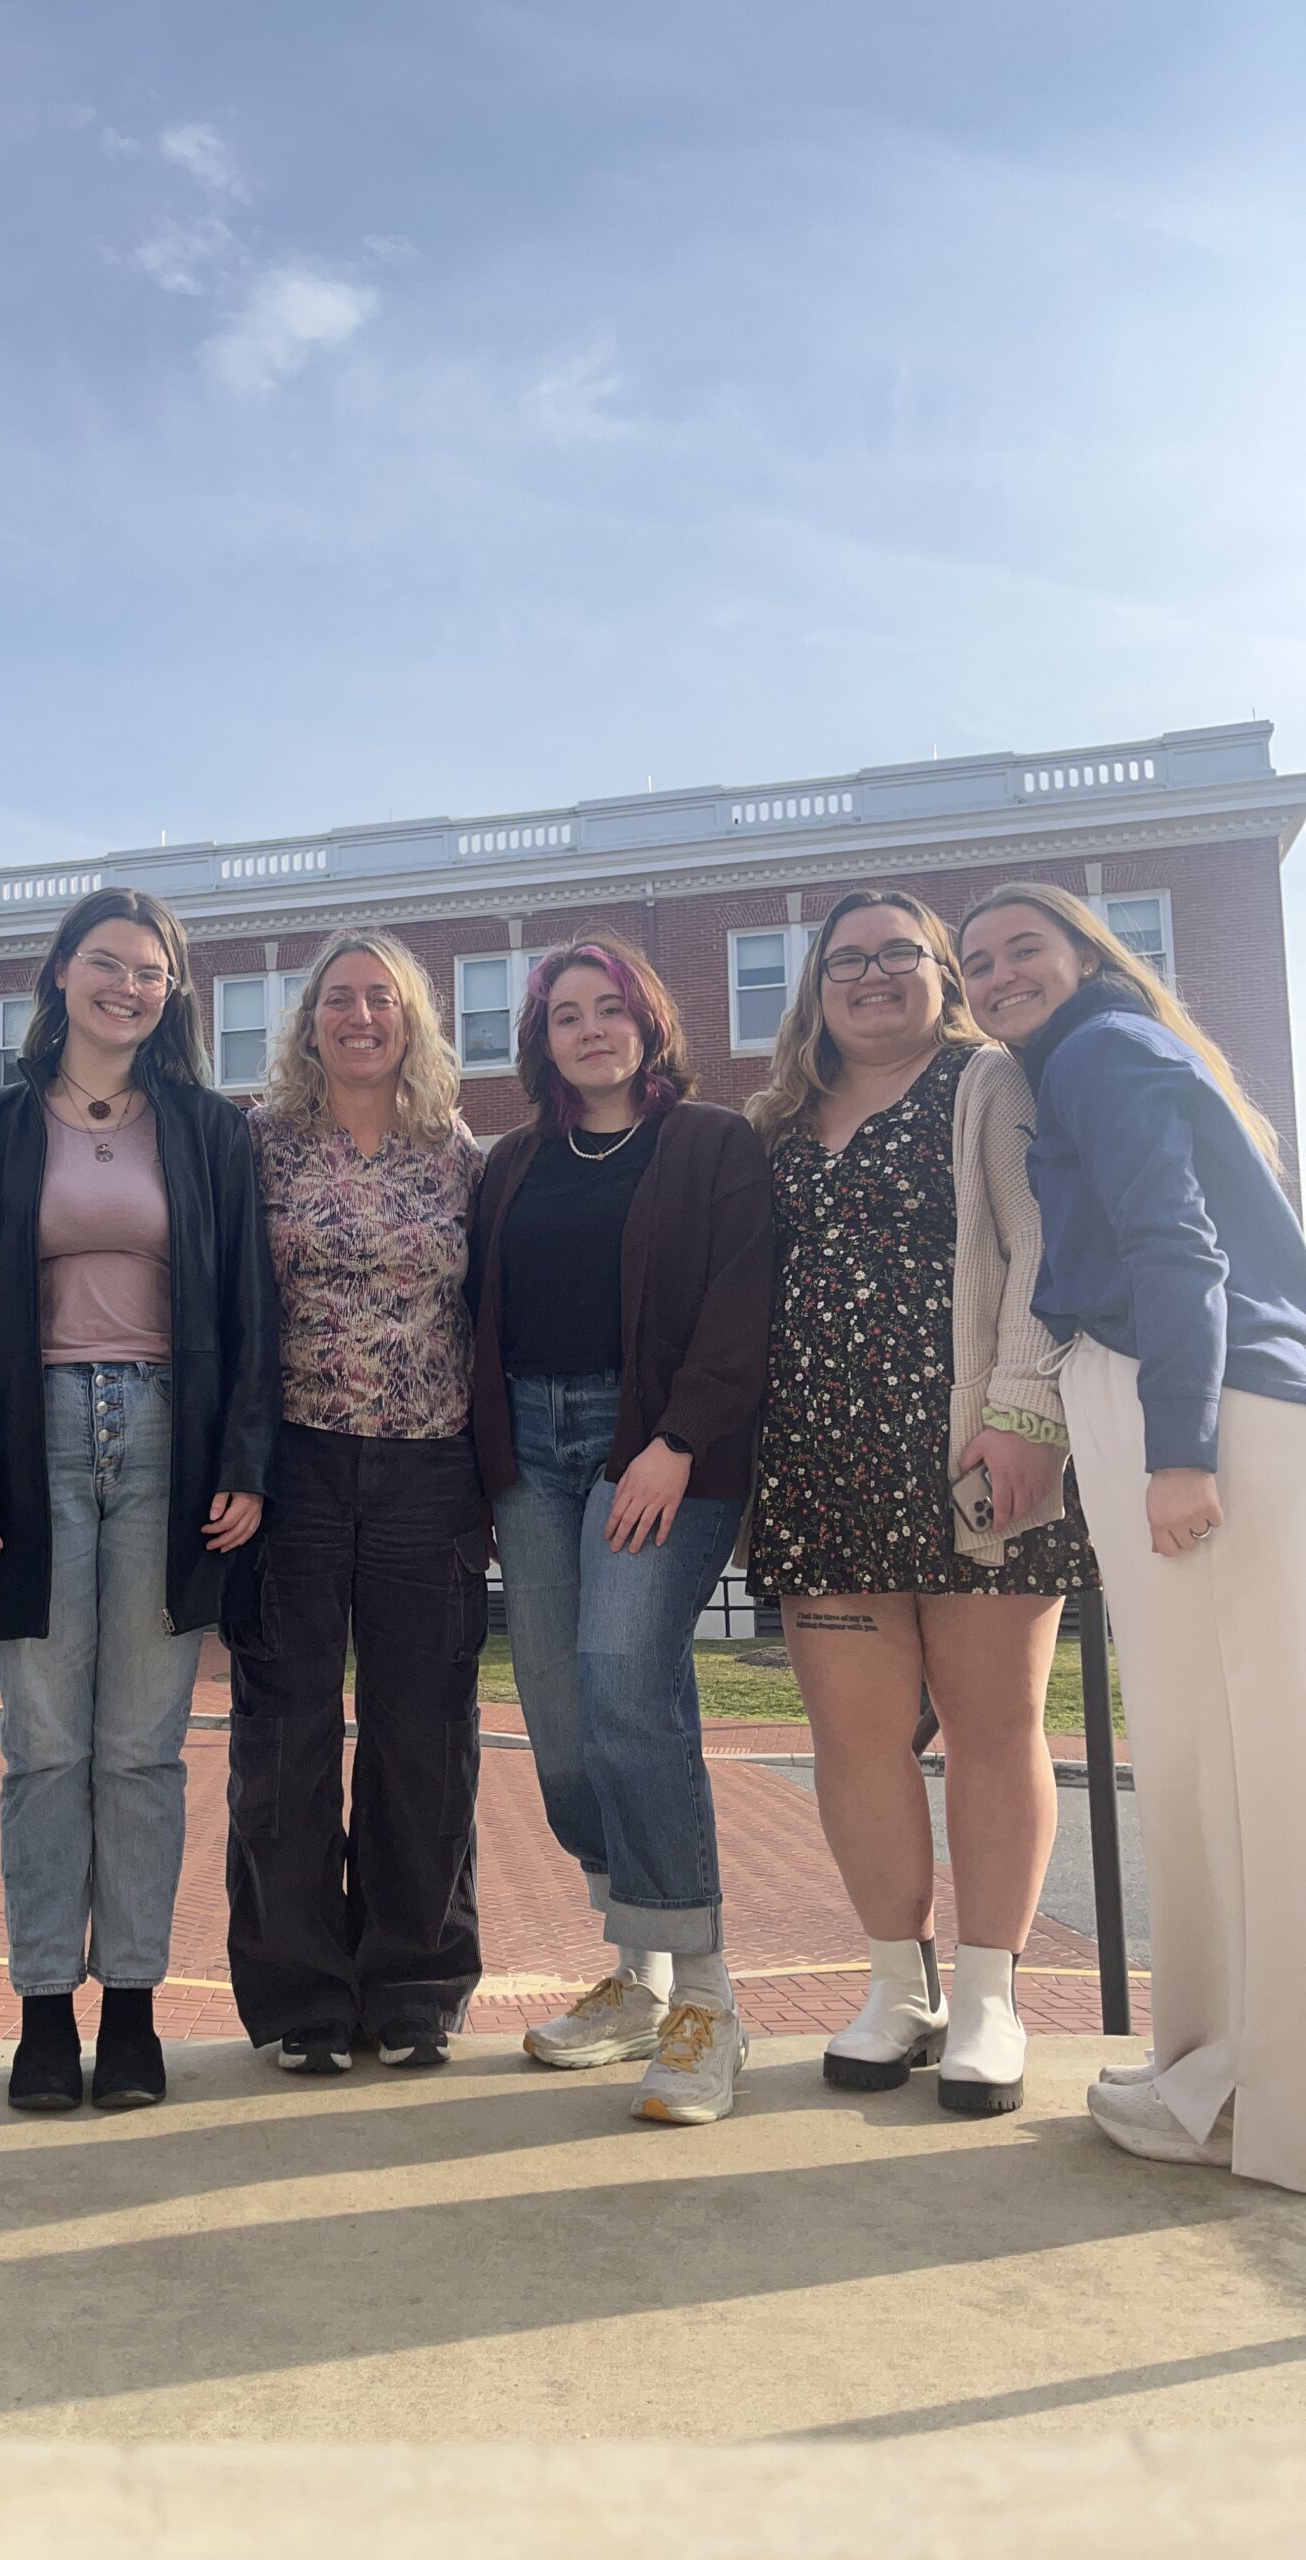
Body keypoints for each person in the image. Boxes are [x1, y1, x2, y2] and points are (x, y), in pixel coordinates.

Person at [958, 882, 1306, 2189]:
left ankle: (1260, 2099)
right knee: (1213, 1759)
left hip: (1199, 1406)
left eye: (1021, 950)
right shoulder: (1104, 1055)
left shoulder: (1104, 1051)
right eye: (976, 964)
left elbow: (1179, 1245)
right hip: (1195, 1397)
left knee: (1246, 1765)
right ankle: (1211, 2076)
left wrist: (1176, 1453)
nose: (995, 977)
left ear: (1088, 955)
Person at [743, 889, 1095, 2118]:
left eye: (904, 954)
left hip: (971, 1453)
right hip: (818, 1463)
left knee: (996, 1724)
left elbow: (1040, 1245)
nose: (875, 975)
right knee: (857, 1737)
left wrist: (1026, 1413)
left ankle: (991, 1998)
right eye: (850, 959)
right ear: (818, 986)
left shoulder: (988, 1085)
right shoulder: (774, 1120)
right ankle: (900, 1985)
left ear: (942, 975)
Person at [0, 888, 277, 2113]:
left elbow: (245, 1309)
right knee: (44, 1748)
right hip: (36, 1445)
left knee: (141, 1748)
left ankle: (129, 2010)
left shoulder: (209, 1132)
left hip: (171, 1447)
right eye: (106, 963)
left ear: (172, 993)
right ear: (61, 973)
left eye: (151, 971)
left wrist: (244, 1459)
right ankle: (40, 2014)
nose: (128, 986)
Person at [468, 936, 773, 2125]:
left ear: (649, 1021)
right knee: (554, 1712)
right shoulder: (513, 1162)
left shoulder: (710, 1145)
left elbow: (741, 1303)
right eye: (565, 1016)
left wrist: (679, 1437)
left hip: (654, 1445)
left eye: (610, 1009)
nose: (589, 1029)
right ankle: (637, 1973)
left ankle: (706, 1997)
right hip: (530, 1458)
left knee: (625, 1682)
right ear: (539, 1040)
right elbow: (480, 1316)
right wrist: (489, 1467)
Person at [225, 931, 487, 2073]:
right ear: (309, 1021)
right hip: (294, 1468)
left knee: (422, 1732)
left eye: (383, 999)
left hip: (429, 1468)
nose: (361, 1016)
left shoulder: (460, 1155)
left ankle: (416, 1983)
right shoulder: (258, 1143)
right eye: (340, 998)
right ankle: (300, 1997)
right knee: (282, 1733)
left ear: (415, 1020)